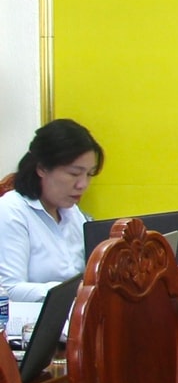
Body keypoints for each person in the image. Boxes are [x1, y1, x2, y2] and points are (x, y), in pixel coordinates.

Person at [0, 118, 104, 303]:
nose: (82, 184)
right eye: (74, 173)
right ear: (42, 168)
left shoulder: (72, 212)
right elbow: (9, 289)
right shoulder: (11, 210)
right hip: (35, 318)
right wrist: (77, 291)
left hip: (75, 313)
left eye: (89, 174)